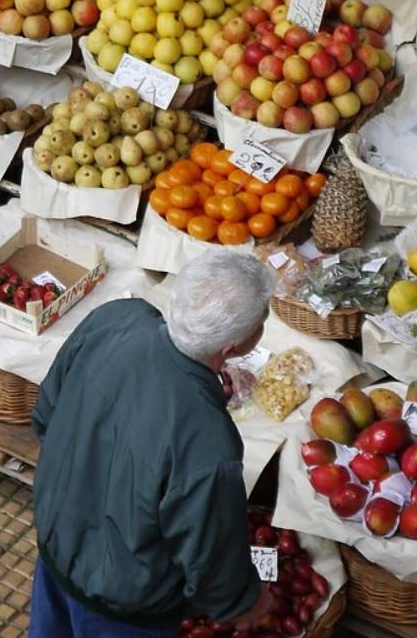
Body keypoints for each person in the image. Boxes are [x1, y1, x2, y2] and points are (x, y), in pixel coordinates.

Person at [29, 251, 278, 637]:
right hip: (123, 606)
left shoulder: (115, 319)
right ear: (231, 348)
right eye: (263, 319)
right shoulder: (209, 438)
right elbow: (209, 551)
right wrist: (242, 602)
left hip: (56, 546)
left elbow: (46, 415)